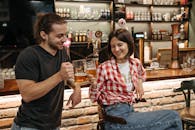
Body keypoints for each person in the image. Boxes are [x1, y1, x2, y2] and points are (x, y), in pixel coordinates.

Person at [88, 28, 182, 130]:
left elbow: (142, 73)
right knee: (174, 117)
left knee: (171, 123)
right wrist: (94, 86)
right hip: (115, 118)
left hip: (129, 112)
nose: (116, 49)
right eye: (113, 46)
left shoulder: (135, 63)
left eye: (120, 45)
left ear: (128, 44)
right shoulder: (104, 67)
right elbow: (93, 98)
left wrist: (140, 82)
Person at [11, 13, 81, 130]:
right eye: (59, 36)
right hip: (29, 125)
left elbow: (67, 77)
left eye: (65, 35)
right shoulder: (29, 55)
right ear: (44, 35)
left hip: (53, 125)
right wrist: (59, 76)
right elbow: (27, 94)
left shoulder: (62, 52)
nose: (64, 39)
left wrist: (76, 88)